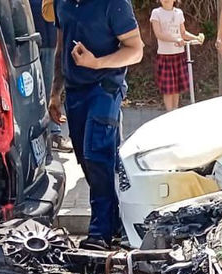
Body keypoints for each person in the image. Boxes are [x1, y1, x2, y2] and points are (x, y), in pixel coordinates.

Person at [50, 0, 143, 248]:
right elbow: (61, 47)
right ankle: (116, 223)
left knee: (97, 154)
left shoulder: (115, 4)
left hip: (106, 87)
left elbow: (135, 50)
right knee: (86, 160)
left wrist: (97, 63)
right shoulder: (62, 2)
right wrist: (55, 92)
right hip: (74, 90)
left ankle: (99, 232)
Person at [31, 0, 70, 150]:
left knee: (50, 90)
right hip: (28, 41)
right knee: (29, 94)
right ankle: (39, 139)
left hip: (52, 42)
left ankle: (54, 135)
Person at [151, 0, 203, 110]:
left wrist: (196, 38)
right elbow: (159, 34)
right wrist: (176, 39)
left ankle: (174, 112)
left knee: (177, 89)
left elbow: (183, 33)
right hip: (165, 56)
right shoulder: (156, 13)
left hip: (179, 55)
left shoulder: (179, 13)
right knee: (168, 90)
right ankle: (169, 114)